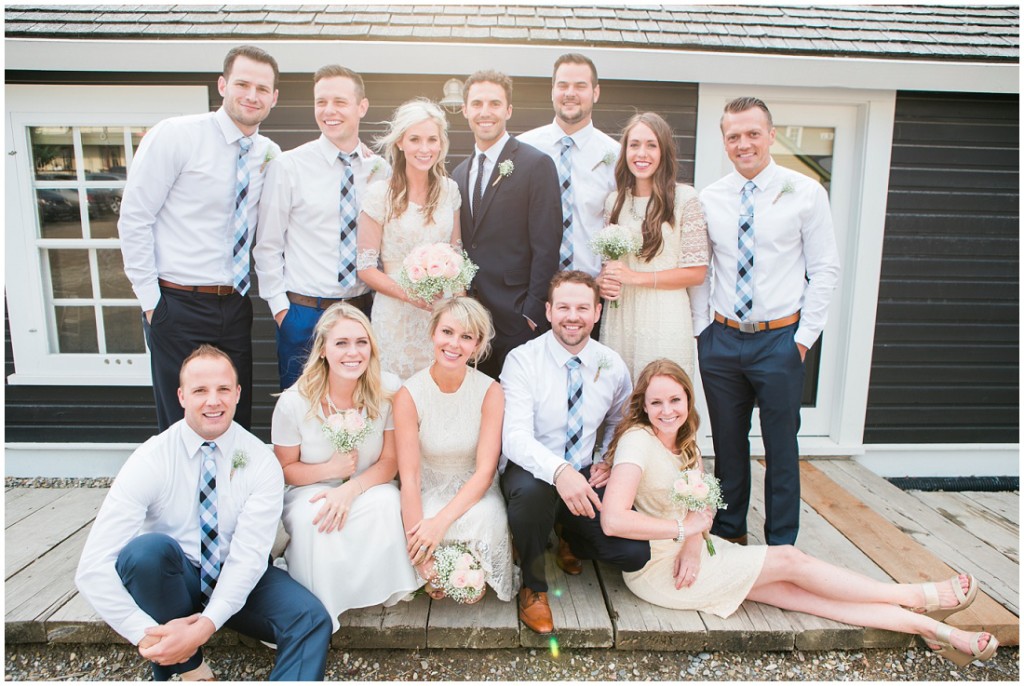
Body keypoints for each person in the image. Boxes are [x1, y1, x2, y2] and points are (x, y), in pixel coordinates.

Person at [601, 358, 999, 669]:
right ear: (643, 406)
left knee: (799, 596)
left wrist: (692, 539)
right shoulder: (638, 441)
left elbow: (702, 502)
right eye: (656, 402)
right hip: (659, 571)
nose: (667, 410)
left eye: (676, 400)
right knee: (790, 560)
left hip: (695, 555)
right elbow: (613, 519)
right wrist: (681, 529)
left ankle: (935, 629)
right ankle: (915, 596)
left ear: (688, 401)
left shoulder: (686, 441)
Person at [75, 345, 331, 681]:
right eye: (200, 391)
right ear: (181, 396)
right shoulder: (152, 458)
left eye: (223, 389)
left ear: (238, 393)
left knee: (312, 619)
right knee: (145, 552)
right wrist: (145, 634)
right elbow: (92, 568)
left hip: (238, 577)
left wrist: (203, 627)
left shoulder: (259, 459)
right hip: (172, 581)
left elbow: (249, 557)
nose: (214, 401)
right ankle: (189, 670)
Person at [691, 96, 841, 546]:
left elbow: (826, 269)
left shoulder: (806, 192)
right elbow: (705, 268)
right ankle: (730, 531)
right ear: (724, 141)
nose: (744, 143)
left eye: (753, 133)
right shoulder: (710, 198)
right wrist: (703, 331)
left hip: (780, 340)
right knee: (729, 448)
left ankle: (781, 544)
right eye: (734, 136)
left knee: (781, 448)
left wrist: (804, 338)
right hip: (722, 340)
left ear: (771, 135)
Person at [119, 45, 281, 430]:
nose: (251, 95)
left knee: (234, 417)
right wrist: (151, 302)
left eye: (262, 88)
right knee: (182, 422)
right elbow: (135, 218)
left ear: (274, 98)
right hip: (177, 303)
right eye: (242, 84)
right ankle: (183, 493)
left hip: (235, 306)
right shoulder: (176, 136)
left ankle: (228, 491)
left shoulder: (269, 154)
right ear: (223, 85)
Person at [500, 271, 650, 634]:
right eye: (564, 306)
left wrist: (605, 459)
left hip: (585, 469)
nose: (573, 316)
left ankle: (569, 534)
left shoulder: (610, 363)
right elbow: (514, 437)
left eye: (582, 307)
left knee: (632, 554)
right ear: (549, 311)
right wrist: (559, 472)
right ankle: (533, 587)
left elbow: (620, 420)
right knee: (531, 497)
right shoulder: (523, 360)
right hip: (533, 468)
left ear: (597, 312)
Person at [270, 303, 418, 632]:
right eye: (341, 343)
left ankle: (375, 590)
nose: (353, 352)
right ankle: (322, 604)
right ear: (323, 350)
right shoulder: (294, 402)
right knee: (317, 517)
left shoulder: (387, 390)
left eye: (361, 342)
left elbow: (390, 462)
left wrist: (350, 489)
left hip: (368, 485)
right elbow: (286, 469)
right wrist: (330, 469)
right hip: (309, 487)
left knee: (387, 504)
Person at [255, 65, 388, 390]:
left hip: (362, 311)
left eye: (340, 102)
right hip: (304, 314)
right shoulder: (289, 166)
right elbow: (268, 245)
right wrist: (281, 312)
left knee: (359, 410)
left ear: (362, 107)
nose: (329, 111)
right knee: (303, 414)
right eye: (321, 102)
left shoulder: (380, 169)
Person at [394, 297, 517, 602]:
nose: (454, 344)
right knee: (421, 519)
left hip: (474, 487)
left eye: (466, 337)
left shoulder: (490, 391)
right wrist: (420, 551)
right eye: (447, 332)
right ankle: (435, 572)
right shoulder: (409, 394)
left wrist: (440, 524)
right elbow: (409, 477)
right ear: (433, 333)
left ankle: (468, 575)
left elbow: (486, 470)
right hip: (428, 485)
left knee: (487, 515)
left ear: (477, 345)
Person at [453, 70, 562, 379]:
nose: (485, 112)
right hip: (471, 321)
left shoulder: (535, 164)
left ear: (508, 110)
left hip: (517, 319)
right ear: (465, 110)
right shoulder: (459, 173)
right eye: (476, 104)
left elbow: (547, 244)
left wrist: (532, 310)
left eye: (494, 103)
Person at [597, 112, 709, 380]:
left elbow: (696, 273)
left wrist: (636, 278)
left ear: (664, 151)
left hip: (665, 315)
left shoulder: (684, 198)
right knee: (620, 397)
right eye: (634, 145)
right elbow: (609, 266)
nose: (641, 153)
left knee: (661, 394)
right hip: (621, 317)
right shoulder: (614, 202)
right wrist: (604, 281)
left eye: (651, 145)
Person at [356, 98, 462, 380]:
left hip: (440, 313)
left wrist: (459, 311)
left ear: (441, 144)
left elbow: (457, 254)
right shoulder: (379, 194)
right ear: (401, 142)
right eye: (415, 139)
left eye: (432, 140)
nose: (424, 149)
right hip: (394, 317)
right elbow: (366, 267)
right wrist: (410, 295)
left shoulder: (449, 191)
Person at [518, 53, 619, 279]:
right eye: (562, 85)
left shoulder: (616, 155)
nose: (570, 93)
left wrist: (610, 272)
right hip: (531, 290)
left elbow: (625, 225)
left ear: (596, 93)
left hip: (592, 290)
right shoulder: (522, 148)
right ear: (552, 91)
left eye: (580, 86)